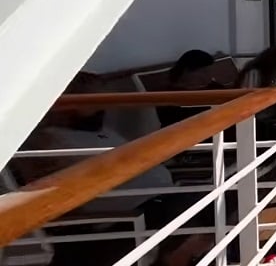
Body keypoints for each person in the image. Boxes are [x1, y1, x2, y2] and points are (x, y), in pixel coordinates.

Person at [14, 72, 223, 266]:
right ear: (68, 103)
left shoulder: (100, 131)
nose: (104, 106)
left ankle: (197, 253)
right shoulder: (47, 141)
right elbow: (55, 197)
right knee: (217, 206)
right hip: (130, 213)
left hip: (159, 197)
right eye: (95, 101)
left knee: (223, 202)